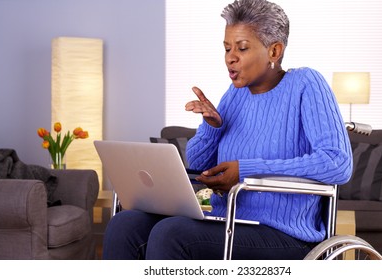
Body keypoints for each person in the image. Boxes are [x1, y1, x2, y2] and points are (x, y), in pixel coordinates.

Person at [102, 0, 352, 260]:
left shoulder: (306, 84)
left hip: (285, 234)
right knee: (126, 224)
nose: (230, 58)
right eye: (227, 48)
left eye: (242, 48)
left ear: (274, 51)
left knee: (171, 233)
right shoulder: (235, 94)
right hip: (228, 220)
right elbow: (198, 163)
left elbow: (337, 163)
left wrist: (244, 171)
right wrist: (212, 128)